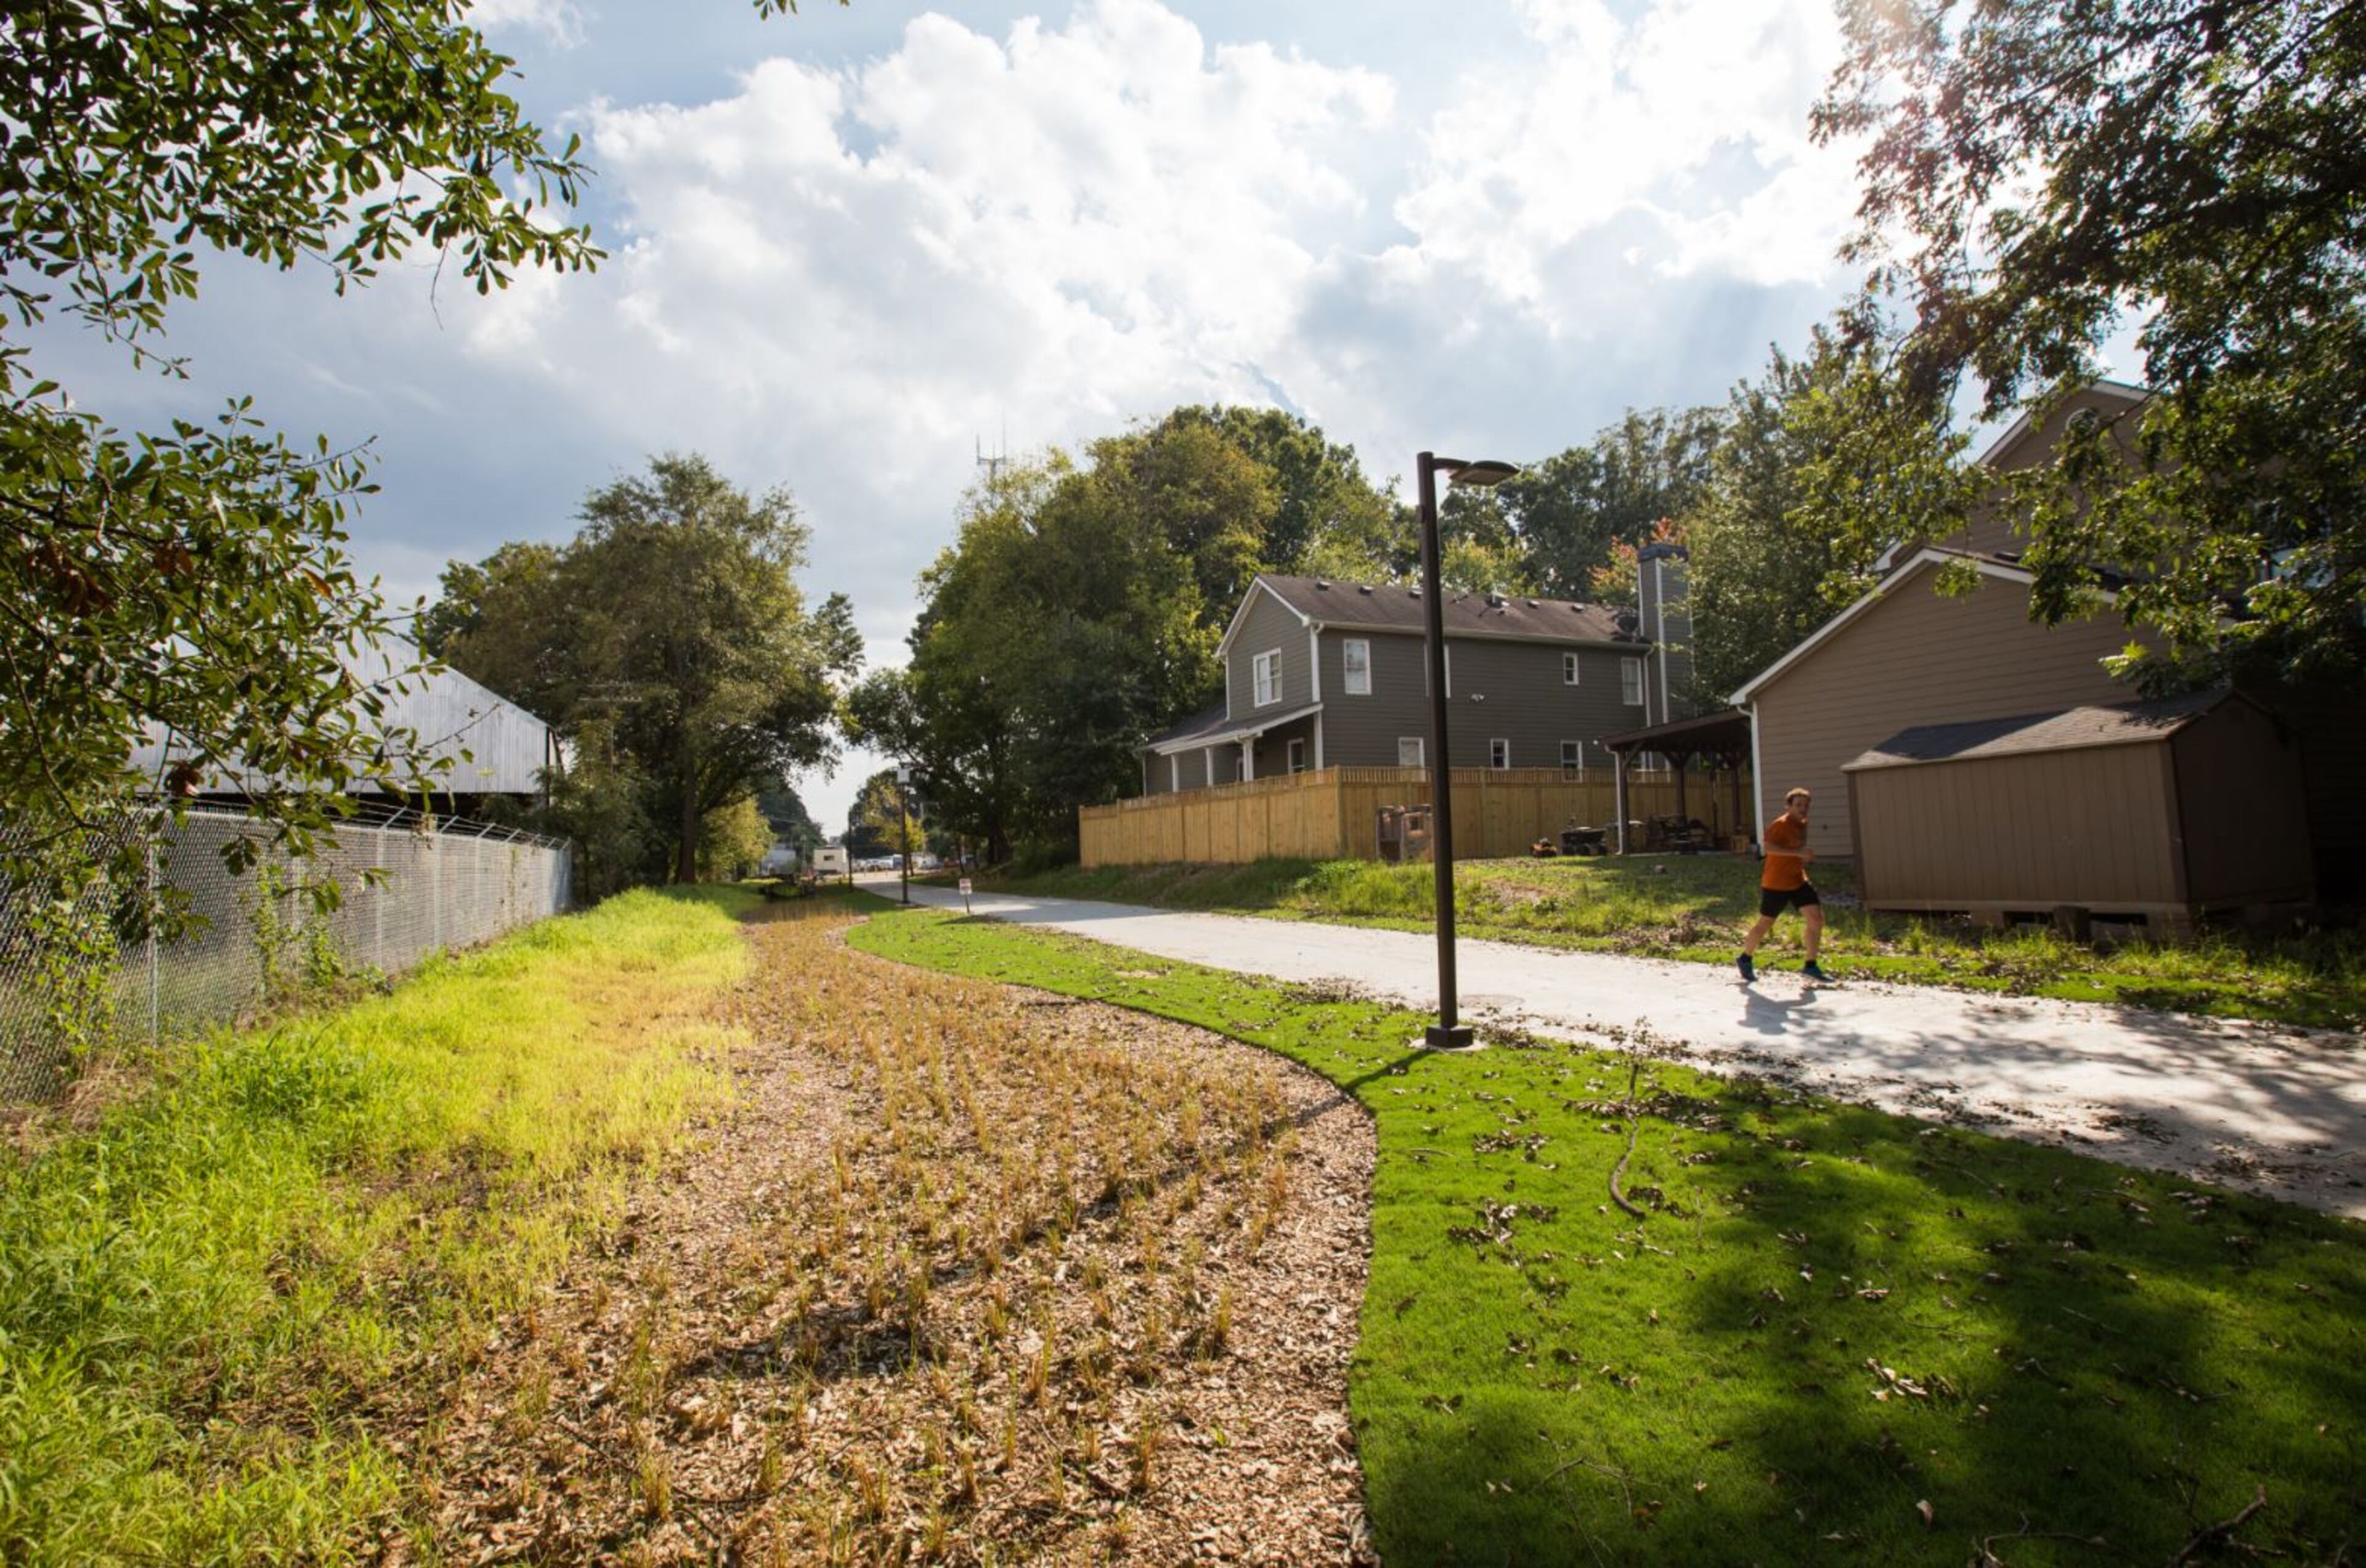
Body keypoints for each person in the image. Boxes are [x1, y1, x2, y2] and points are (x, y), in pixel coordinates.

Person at [1739, 786, 1829, 983]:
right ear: (1788, 806)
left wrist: (1804, 857)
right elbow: (1769, 848)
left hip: (1798, 881)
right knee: (1765, 924)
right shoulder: (1781, 824)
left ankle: (1810, 966)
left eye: (1806, 806)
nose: (1803, 809)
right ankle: (1745, 958)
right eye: (1798, 805)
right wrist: (1797, 854)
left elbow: (1796, 850)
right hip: (1776, 884)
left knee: (1816, 920)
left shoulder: (1802, 824)